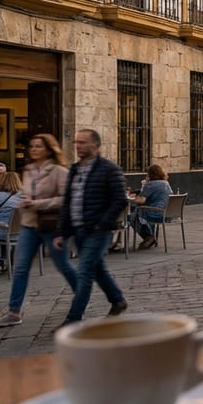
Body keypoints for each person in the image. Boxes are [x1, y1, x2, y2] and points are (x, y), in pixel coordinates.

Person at [0, 133, 77, 328]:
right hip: (29, 225)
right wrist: (24, 202)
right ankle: (14, 311)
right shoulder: (28, 170)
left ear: (49, 149)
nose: (34, 149)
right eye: (32, 146)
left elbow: (66, 199)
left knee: (63, 265)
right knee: (21, 268)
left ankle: (81, 295)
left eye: (38, 146)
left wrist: (37, 203)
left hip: (51, 225)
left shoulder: (59, 171)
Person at [54, 129, 129, 325]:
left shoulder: (109, 169)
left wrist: (103, 223)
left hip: (98, 230)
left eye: (82, 142)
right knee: (98, 270)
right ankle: (117, 300)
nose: (78, 146)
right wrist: (62, 232)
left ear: (95, 145)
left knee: (84, 271)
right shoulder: (75, 169)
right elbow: (68, 202)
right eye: (76, 142)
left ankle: (73, 319)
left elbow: (120, 199)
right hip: (79, 230)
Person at [132, 164, 171, 250]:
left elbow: (141, 200)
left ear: (150, 174)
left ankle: (149, 236)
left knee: (132, 216)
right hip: (165, 213)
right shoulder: (166, 183)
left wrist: (132, 199)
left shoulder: (150, 184)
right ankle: (149, 237)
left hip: (153, 213)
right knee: (142, 210)